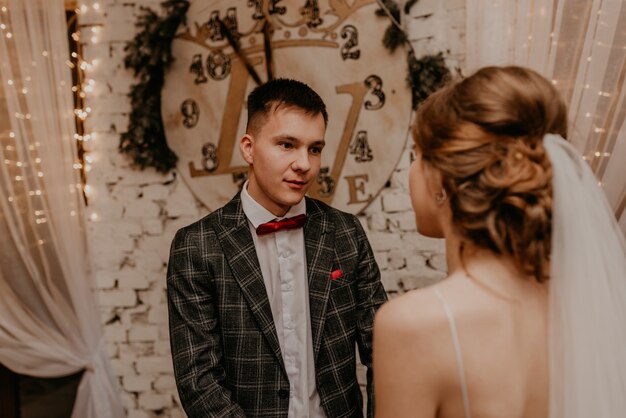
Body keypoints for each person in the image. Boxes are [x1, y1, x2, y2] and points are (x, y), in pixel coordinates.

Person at [373, 66, 626, 418]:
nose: (410, 172)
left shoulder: (413, 324)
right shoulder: (593, 302)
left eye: (416, 155)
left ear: (441, 179)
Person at [167, 78, 387, 418]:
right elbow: (199, 381)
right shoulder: (197, 245)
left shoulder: (345, 232)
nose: (304, 164)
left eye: (314, 149)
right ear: (249, 148)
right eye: (287, 145)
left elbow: (383, 351)